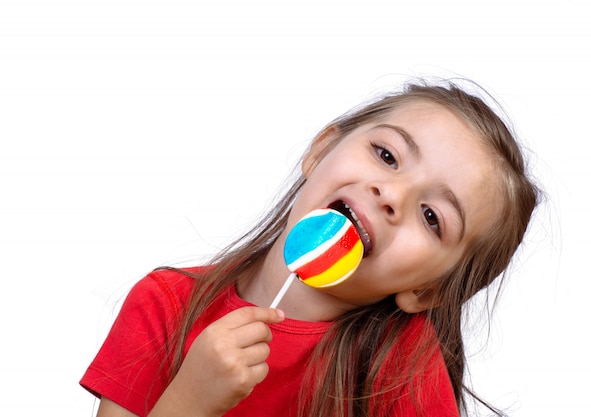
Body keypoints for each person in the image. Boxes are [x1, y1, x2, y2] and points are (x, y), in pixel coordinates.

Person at [80, 79, 539, 417]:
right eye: (387, 155)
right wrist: (187, 403)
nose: (392, 195)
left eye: (432, 216)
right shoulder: (166, 305)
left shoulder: (404, 371)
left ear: (425, 291)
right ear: (321, 150)